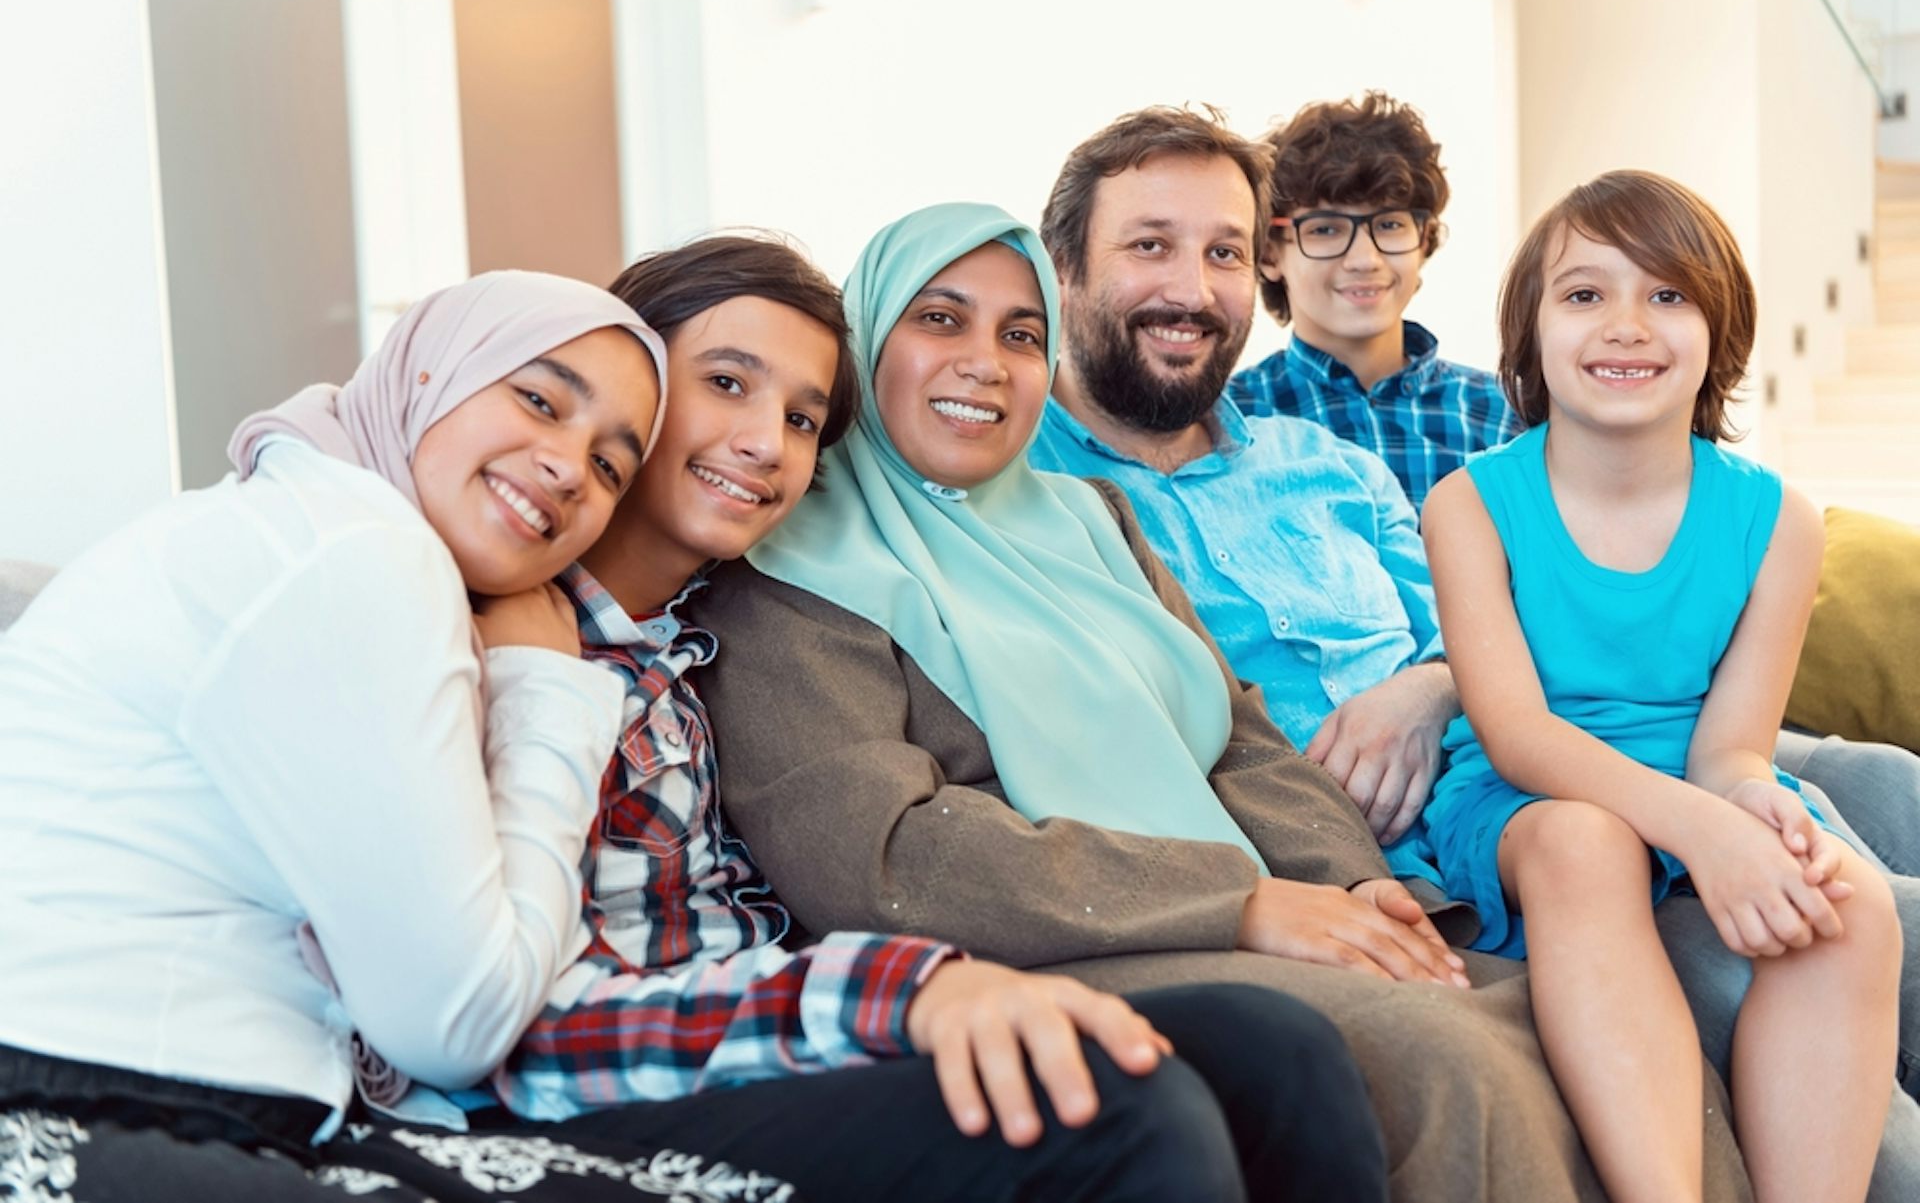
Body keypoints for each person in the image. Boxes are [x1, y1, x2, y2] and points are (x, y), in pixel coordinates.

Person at [689, 201, 1742, 1203]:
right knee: (1444, 1055)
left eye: (1020, 333)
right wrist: (1236, 901)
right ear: (865, 342)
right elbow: (879, 859)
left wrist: (1353, 883)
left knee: (1569, 1019)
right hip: (1054, 946)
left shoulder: (1084, 518)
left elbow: (1234, 738)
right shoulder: (788, 569)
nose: (983, 360)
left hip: (1239, 912)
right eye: (939, 318)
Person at [1024, 103, 1920, 1200]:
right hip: (1488, 800)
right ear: (1059, 268)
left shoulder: (1326, 463)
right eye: (1149, 244)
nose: (1195, 283)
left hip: (1551, 731)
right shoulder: (1038, 498)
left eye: (1219, 249)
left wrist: (1428, 685)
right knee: (1814, 932)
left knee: (1867, 831)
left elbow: (1472, 635)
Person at [488, 232, 1391, 1203]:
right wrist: (904, 994)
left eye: (801, 418)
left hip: (798, 1022)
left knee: (1277, 1053)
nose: (765, 443)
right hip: (650, 1080)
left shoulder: (697, 633)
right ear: (640, 385)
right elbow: (497, 1013)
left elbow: (1236, 731)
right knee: (1129, 1107)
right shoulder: (523, 641)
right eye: (727, 383)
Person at [0, 271, 746, 1200]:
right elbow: (457, 1022)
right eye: (539, 399)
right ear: (429, 375)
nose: (565, 465)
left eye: (608, 466)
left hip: (160, 1090)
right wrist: (549, 693)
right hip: (86, 1104)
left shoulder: (317, 517)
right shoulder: (362, 551)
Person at [1421, 170, 1901, 1203]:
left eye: (1667, 294)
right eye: (1585, 294)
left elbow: (1733, 746)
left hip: (1698, 782)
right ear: (1532, 332)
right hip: (1529, 796)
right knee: (1582, 842)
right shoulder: (1469, 504)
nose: (1625, 326)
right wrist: (1702, 829)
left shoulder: (1781, 520)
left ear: (1718, 328)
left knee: (1852, 908)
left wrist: (1746, 805)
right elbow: (1515, 734)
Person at [1227, 91, 1520, 513]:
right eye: (1325, 229)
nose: (1365, 259)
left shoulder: (1504, 416)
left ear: (1425, 239)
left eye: (1390, 224)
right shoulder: (1232, 422)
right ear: (1271, 253)